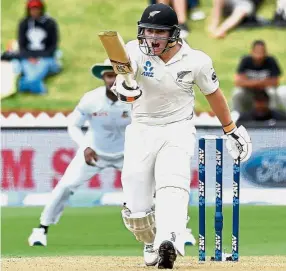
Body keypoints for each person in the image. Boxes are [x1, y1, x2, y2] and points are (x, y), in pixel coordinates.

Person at [112, 3, 252, 269]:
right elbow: (123, 88)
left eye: (159, 32)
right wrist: (127, 86)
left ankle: (169, 241)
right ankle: (151, 240)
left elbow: (214, 95)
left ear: (173, 34)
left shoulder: (196, 60)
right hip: (141, 128)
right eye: (147, 31)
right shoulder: (132, 51)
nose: (151, 37)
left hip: (178, 128)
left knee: (172, 184)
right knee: (137, 210)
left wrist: (230, 130)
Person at [28, 59, 131, 245]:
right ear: (103, 78)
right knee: (65, 187)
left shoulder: (134, 100)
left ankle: (175, 231)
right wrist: (85, 146)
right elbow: (73, 125)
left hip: (127, 155)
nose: (112, 80)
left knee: (152, 190)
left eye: (116, 75)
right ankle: (41, 229)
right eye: (109, 75)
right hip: (94, 154)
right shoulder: (91, 99)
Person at [16, 0, 61, 94]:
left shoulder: (50, 23)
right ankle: (35, 85)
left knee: (38, 69)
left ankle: (25, 84)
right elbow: (22, 45)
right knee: (30, 69)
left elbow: (53, 46)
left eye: (37, 9)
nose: (34, 11)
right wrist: (30, 57)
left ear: (41, 9)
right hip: (28, 57)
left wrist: (39, 56)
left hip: (45, 57)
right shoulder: (23, 24)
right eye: (32, 9)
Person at [232, 40, 284, 113]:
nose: (259, 55)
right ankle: (236, 116)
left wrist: (250, 82)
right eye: (257, 52)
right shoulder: (245, 61)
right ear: (252, 51)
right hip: (250, 90)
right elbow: (238, 82)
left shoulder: (271, 60)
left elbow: (275, 82)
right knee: (237, 93)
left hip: (265, 90)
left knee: (272, 92)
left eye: (262, 52)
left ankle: (273, 116)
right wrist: (261, 82)